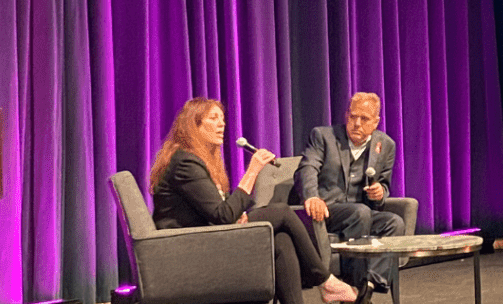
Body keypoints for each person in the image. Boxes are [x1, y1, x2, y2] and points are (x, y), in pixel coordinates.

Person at [150, 97, 364, 304]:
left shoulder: (193, 160)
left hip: (205, 236)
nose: (221, 124)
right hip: (190, 248)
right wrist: (252, 171)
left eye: (222, 118)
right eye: (213, 118)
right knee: (281, 211)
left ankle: (315, 289)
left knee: (281, 240)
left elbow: (219, 211)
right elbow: (222, 215)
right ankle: (325, 280)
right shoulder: (186, 162)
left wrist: (237, 216)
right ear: (194, 125)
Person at [296, 92, 405, 298]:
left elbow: (384, 184)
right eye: (352, 116)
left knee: (395, 223)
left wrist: (380, 192)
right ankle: (353, 285)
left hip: (361, 212)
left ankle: (367, 288)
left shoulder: (386, 145)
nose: (356, 123)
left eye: (364, 119)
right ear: (346, 115)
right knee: (360, 213)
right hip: (328, 211)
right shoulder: (323, 136)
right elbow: (307, 168)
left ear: (376, 122)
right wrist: (312, 196)